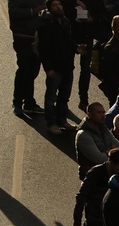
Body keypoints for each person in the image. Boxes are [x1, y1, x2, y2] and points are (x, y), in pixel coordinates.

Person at [37, 0, 81, 134]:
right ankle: (51, 123)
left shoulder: (66, 21)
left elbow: (69, 40)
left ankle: (62, 120)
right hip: (55, 67)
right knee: (51, 97)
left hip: (67, 65)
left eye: (60, 4)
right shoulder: (46, 24)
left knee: (64, 96)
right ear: (50, 8)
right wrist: (48, 68)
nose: (59, 7)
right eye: (55, 5)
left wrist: (76, 48)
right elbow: (43, 48)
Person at [8, 0, 46, 116]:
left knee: (33, 71)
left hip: (38, 38)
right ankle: (17, 102)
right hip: (23, 38)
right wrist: (34, 11)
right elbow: (14, 12)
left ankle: (29, 103)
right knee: (24, 70)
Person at [75, 102, 119, 180]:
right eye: (99, 112)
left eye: (103, 112)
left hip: (107, 174)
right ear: (89, 114)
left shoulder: (104, 129)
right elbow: (100, 159)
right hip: (92, 178)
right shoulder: (83, 135)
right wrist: (112, 152)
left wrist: (106, 152)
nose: (103, 116)